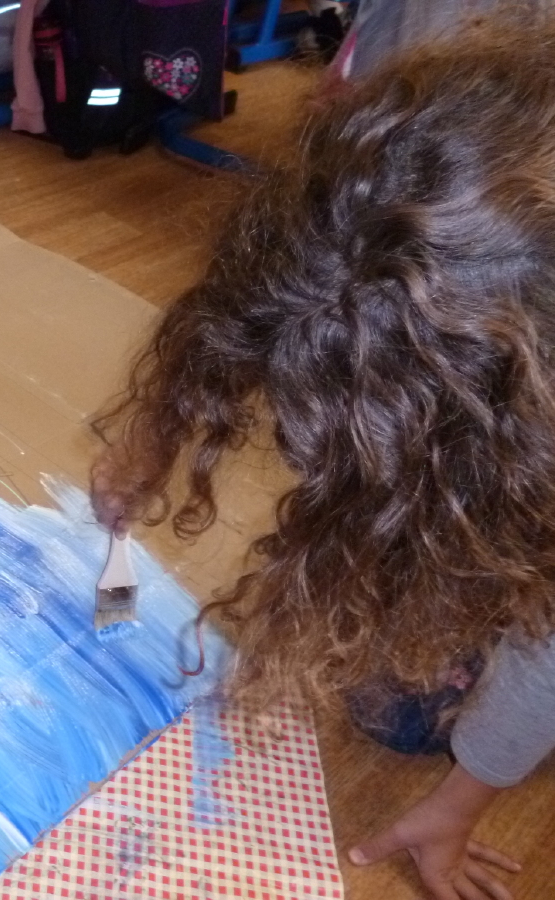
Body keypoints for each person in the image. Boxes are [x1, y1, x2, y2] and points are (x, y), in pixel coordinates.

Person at [90, 21, 555, 900]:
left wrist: (460, 804)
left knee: (421, 714)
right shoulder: (390, 162)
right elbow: (238, 311)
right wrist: (150, 438)